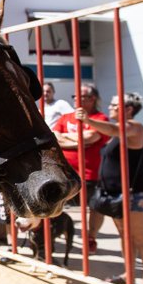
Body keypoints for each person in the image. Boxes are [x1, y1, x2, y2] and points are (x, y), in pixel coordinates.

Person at [76, 94, 143, 284]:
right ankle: (128, 274)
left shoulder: (134, 127)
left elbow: (114, 129)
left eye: (114, 105)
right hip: (117, 194)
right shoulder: (120, 131)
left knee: (139, 237)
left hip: (134, 193)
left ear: (128, 109)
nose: (110, 107)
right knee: (126, 236)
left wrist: (88, 121)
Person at [52, 83, 109, 251]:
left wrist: (67, 139)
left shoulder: (100, 119)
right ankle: (50, 237)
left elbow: (91, 138)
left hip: (89, 173)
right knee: (55, 205)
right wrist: (78, 141)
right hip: (63, 172)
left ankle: (91, 237)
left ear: (93, 99)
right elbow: (55, 137)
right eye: (75, 96)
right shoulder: (66, 117)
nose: (77, 99)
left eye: (82, 96)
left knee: (94, 208)